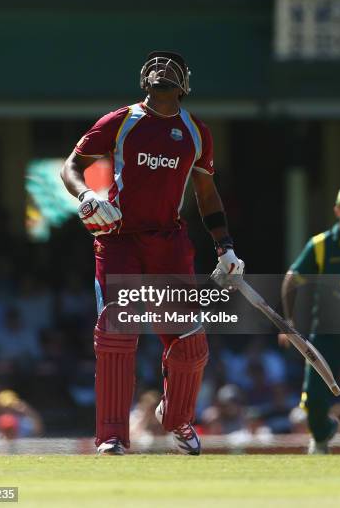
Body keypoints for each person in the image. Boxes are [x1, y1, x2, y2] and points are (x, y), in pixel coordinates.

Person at [61, 51, 244, 456]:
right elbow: (71, 167)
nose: (162, 68)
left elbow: (206, 193)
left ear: (185, 84)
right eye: (155, 64)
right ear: (144, 78)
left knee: (190, 341)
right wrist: (89, 194)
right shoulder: (121, 120)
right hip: (119, 239)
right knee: (116, 331)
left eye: (172, 64)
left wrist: (225, 247)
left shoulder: (195, 132)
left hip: (169, 244)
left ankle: (177, 419)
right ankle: (111, 436)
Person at [279, 185, 340, 454]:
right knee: (314, 400)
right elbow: (292, 279)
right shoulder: (321, 245)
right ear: (337, 211)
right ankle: (322, 438)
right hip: (327, 335)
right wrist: (287, 322)